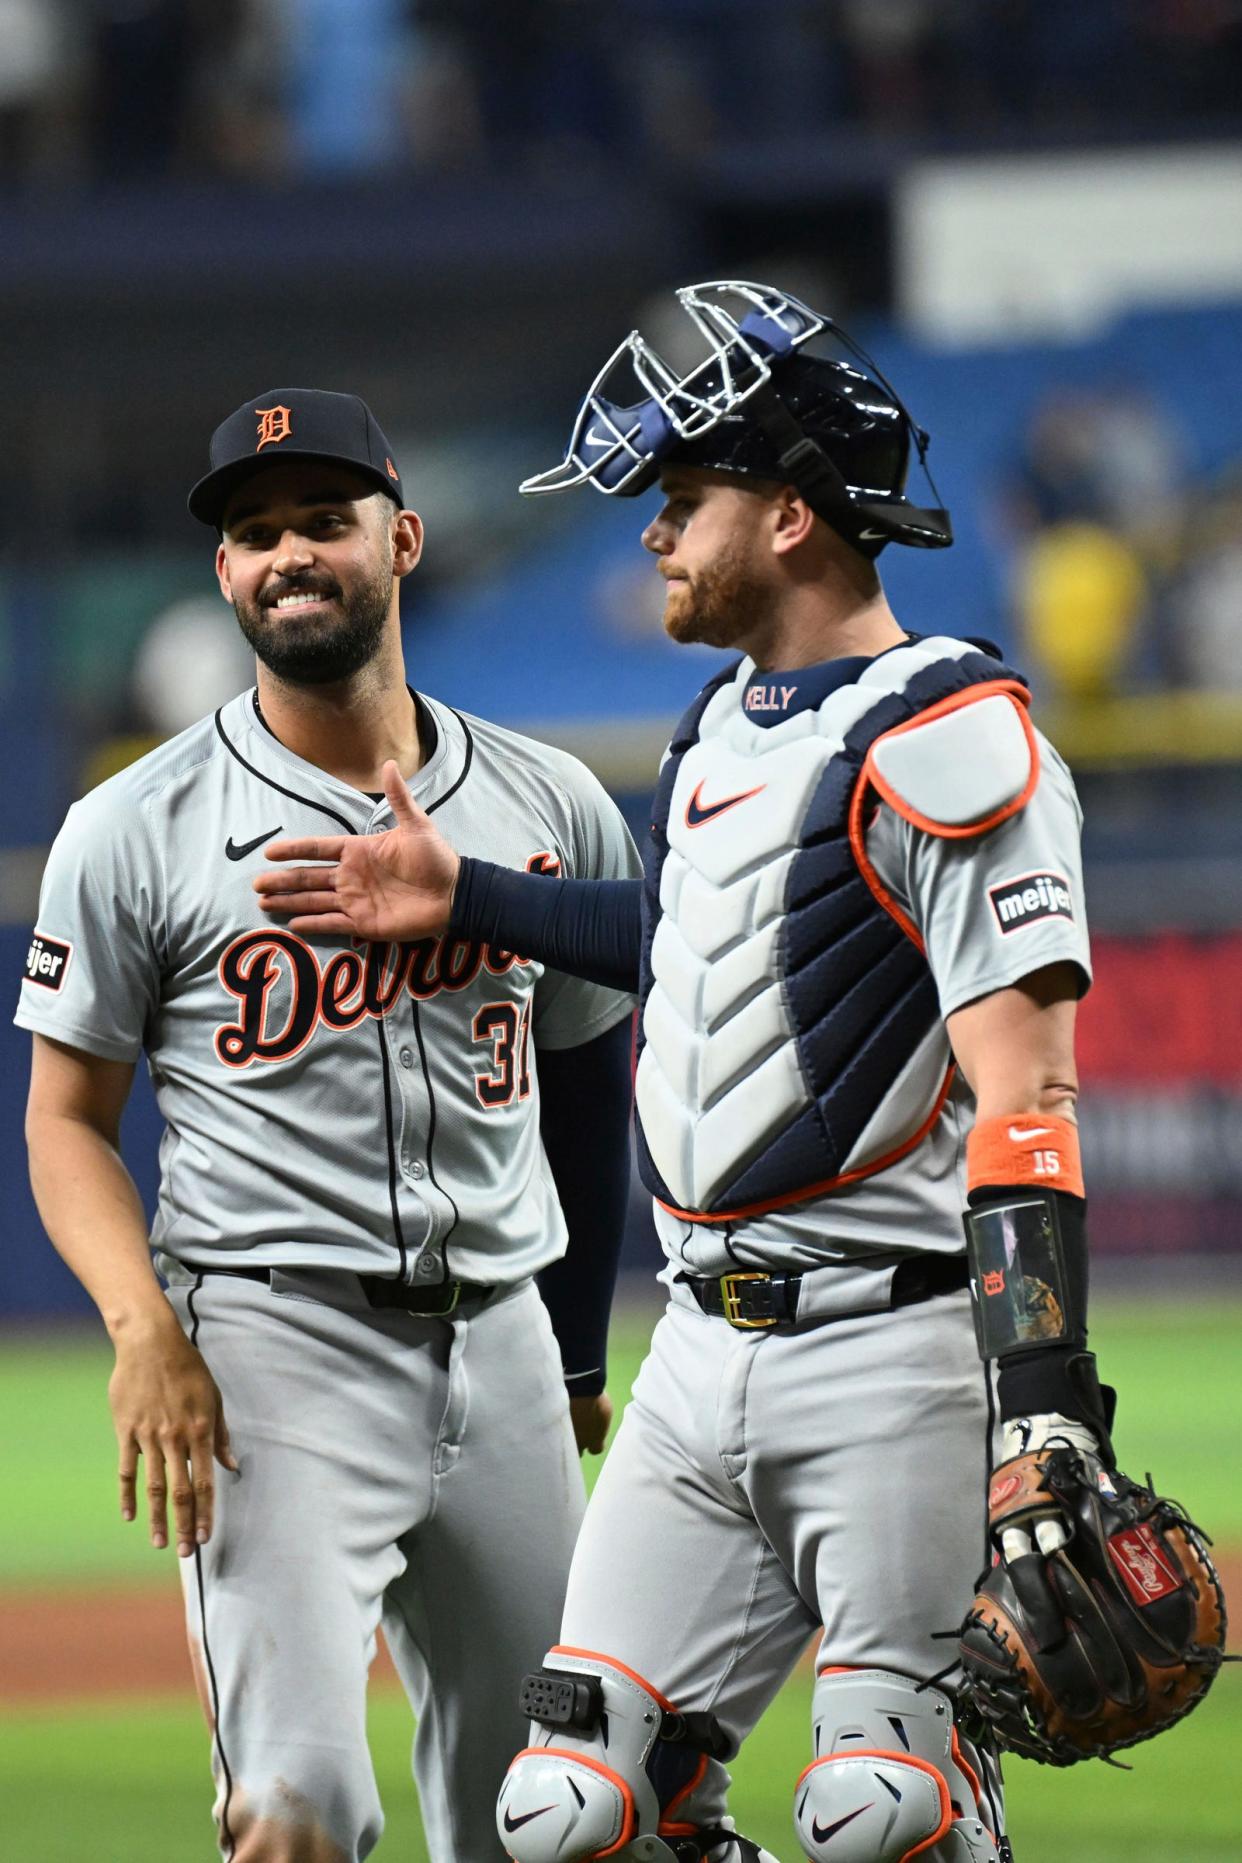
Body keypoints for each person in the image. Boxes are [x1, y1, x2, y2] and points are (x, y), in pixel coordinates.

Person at [254, 286, 1109, 1863]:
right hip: (695, 1360)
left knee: (883, 1816)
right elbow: (699, 944)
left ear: (789, 516)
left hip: (892, 1354)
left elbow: (1028, 1100)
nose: (650, 534)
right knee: (564, 1815)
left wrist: (1044, 1412)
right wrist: (473, 897)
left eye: (680, 500)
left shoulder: (955, 738)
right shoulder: (717, 727)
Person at [17, 387, 640, 1863]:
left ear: (402, 539)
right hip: (270, 1356)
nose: (285, 553)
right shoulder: (136, 826)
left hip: (496, 1344)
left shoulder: (549, 800)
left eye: (320, 520)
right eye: (251, 535)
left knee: (547, 1816)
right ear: (225, 578)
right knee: (297, 1812)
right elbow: (61, 1123)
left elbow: (587, 1088)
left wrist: (569, 1346)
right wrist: (142, 1331)